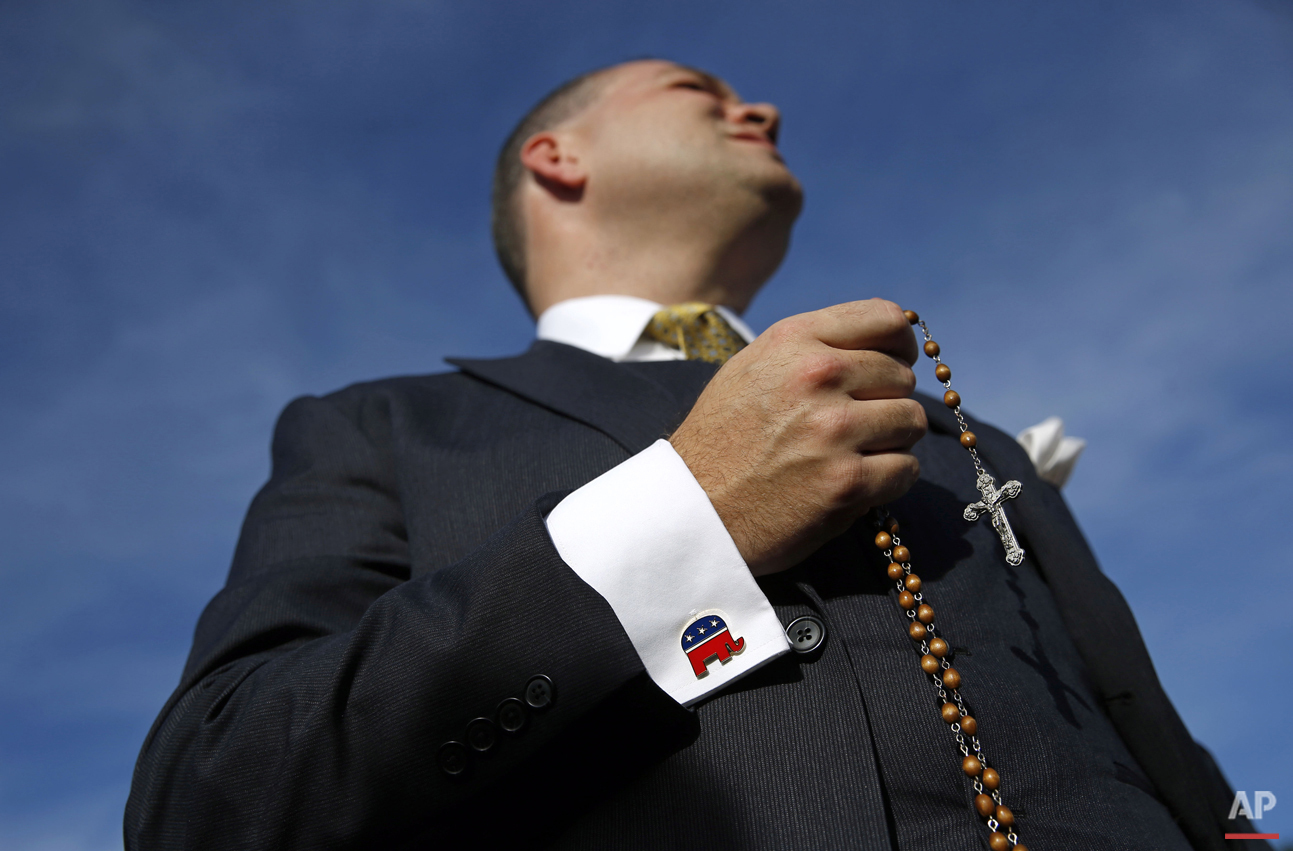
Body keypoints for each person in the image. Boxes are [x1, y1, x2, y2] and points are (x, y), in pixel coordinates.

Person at [125, 59, 1264, 850]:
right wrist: (692, 509)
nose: (760, 104)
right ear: (556, 157)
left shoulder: (973, 443)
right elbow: (222, 796)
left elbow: (1177, 761)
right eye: (697, 90)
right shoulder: (379, 426)